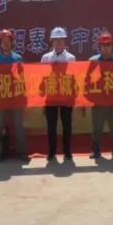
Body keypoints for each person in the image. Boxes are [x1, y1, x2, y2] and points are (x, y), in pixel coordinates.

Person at [0, 29, 28, 164]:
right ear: (0, 43)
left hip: (16, 97)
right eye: (3, 41)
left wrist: (24, 98)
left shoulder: (18, 59)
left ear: (12, 43)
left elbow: (22, 79)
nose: (6, 44)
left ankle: (22, 154)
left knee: (19, 127)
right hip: (0, 98)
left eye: (8, 41)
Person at [41, 27, 77, 161]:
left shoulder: (70, 58)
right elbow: (41, 77)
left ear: (65, 41)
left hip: (66, 96)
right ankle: (51, 151)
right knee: (51, 126)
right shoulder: (46, 58)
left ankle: (67, 151)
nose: (58, 42)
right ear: (52, 41)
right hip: (51, 96)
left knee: (67, 125)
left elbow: (74, 78)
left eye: (60, 40)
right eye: (55, 40)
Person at [88, 32, 113, 159]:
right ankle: (96, 149)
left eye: (108, 44)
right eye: (103, 45)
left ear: (112, 46)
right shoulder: (93, 60)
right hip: (98, 99)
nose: (106, 47)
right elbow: (86, 78)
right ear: (99, 46)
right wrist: (91, 67)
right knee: (97, 126)